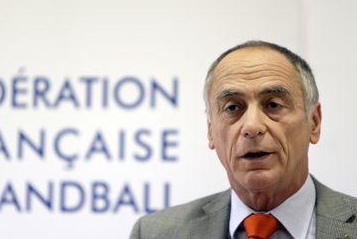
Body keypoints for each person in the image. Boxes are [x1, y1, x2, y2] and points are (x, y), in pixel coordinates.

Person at [129, 40, 357, 239]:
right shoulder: (154, 233)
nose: (252, 126)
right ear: (210, 131)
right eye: (232, 108)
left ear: (314, 122)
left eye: (273, 105)